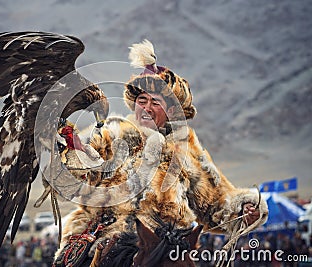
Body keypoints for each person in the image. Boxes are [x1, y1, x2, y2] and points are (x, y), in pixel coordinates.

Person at [53, 40, 268, 266]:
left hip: (170, 246)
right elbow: (84, 161)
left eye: (155, 102)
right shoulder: (114, 134)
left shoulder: (187, 152)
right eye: (141, 100)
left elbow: (216, 204)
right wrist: (73, 146)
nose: (145, 107)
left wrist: (244, 210)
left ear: (171, 110)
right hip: (110, 237)